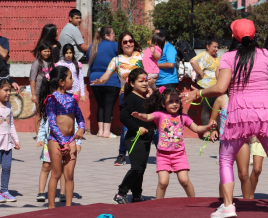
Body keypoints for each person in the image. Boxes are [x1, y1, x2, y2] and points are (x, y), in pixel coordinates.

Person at [181, 19, 268, 218]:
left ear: (233, 36)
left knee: (226, 159)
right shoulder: (265, 54)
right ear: (254, 35)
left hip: (239, 112)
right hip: (266, 111)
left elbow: (221, 88)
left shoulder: (229, 57)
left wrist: (198, 94)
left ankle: (229, 206)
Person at [132, 86, 216, 199]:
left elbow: (196, 129)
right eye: (170, 101)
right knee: (163, 182)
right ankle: (158, 206)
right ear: (163, 104)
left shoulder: (183, 117)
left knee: (184, 180)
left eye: (177, 101)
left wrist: (208, 127)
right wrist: (140, 116)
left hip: (179, 155)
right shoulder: (159, 115)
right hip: (163, 155)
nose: (174, 104)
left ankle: (194, 201)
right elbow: (148, 117)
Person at [90, 31, 144, 165]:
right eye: (125, 42)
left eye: (130, 41)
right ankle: (121, 154)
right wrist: (100, 81)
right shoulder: (117, 60)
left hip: (143, 98)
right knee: (127, 127)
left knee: (147, 126)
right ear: (121, 44)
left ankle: (153, 154)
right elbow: (106, 75)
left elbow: (153, 68)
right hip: (126, 98)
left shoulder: (141, 56)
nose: (128, 44)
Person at [37, 66, 85, 209]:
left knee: (69, 174)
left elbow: (80, 117)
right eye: (70, 78)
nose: (73, 81)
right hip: (56, 142)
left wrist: (81, 128)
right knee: (56, 174)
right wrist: (62, 142)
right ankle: (51, 207)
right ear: (62, 82)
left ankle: (68, 208)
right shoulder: (52, 100)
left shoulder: (72, 98)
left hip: (70, 141)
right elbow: (52, 122)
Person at [112, 68, 152, 204]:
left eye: (146, 80)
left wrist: (152, 97)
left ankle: (136, 194)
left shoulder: (145, 97)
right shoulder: (131, 98)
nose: (144, 83)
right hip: (134, 139)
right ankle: (120, 193)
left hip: (146, 138)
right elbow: (123, 116)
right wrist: (137, 128)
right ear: (132, 83)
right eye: (141, 81)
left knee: (141, 167)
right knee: (136, 167)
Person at [209, 94, 252, 199]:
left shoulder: (248, 98)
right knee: (225, 174)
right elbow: (212, 120)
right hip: (225, 142)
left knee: (244, 174)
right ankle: (223, 202)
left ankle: (249, 203)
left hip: (243, 140)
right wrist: (213, 130)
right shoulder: (221, 100)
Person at [36, 118, 82, 202]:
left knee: (62, 169)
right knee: (46, 166)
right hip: (49, 143)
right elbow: (43, 127)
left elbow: (75, 127)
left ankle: (63, 193)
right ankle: (41, 192)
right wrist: (40, 139)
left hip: (67, 144)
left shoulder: (70, 112)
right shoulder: (49, 111)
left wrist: (78, 143)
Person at [86, 26, 120, 138]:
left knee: (100, 105)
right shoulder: (114, 45)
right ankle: (107, 132)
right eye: (112, 33)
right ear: (106, 35)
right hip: (111, 79)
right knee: (109, 106)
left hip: (94, 80)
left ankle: (100, 131)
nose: (114, 36)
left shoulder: (93, 46)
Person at [190, 39, 220, 137]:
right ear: (208, 46)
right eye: (214, 47)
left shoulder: (216, 57)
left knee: (217, 109)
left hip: (216, 86)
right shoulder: (204, 55)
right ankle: (206, 132)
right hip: (205, 86)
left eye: (217, 47)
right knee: (206, 108)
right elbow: (192, 61)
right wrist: (200, 72)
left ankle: (217, 132)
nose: (216, 49)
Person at [30, 42, 55, 134]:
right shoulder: (37, 63)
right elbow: (32, 79)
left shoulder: (51, 63)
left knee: (50, 113)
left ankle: (49, 133)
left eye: (48, 51)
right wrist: (33, 95)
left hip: (50, 91)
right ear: (40, 52)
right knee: (39, 113)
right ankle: (38, 135)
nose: (47, 53)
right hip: (39, 91)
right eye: (45, 51)